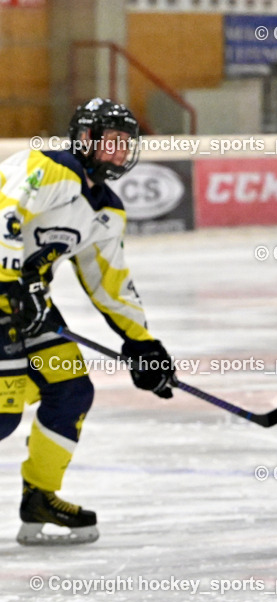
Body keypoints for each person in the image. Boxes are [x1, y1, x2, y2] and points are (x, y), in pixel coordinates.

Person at [0, 98, 176, 546]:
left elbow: (110, 283)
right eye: (113, 142)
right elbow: (5, 214)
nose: (121, 153)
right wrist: (8, 284)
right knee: (2, 415)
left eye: (126, 144)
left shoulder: (106, 211)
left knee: (70, 389)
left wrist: (143, 345)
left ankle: (40, 496)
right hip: (10, 298)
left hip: (25, 305)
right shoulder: (48, 167)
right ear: (85, 138)